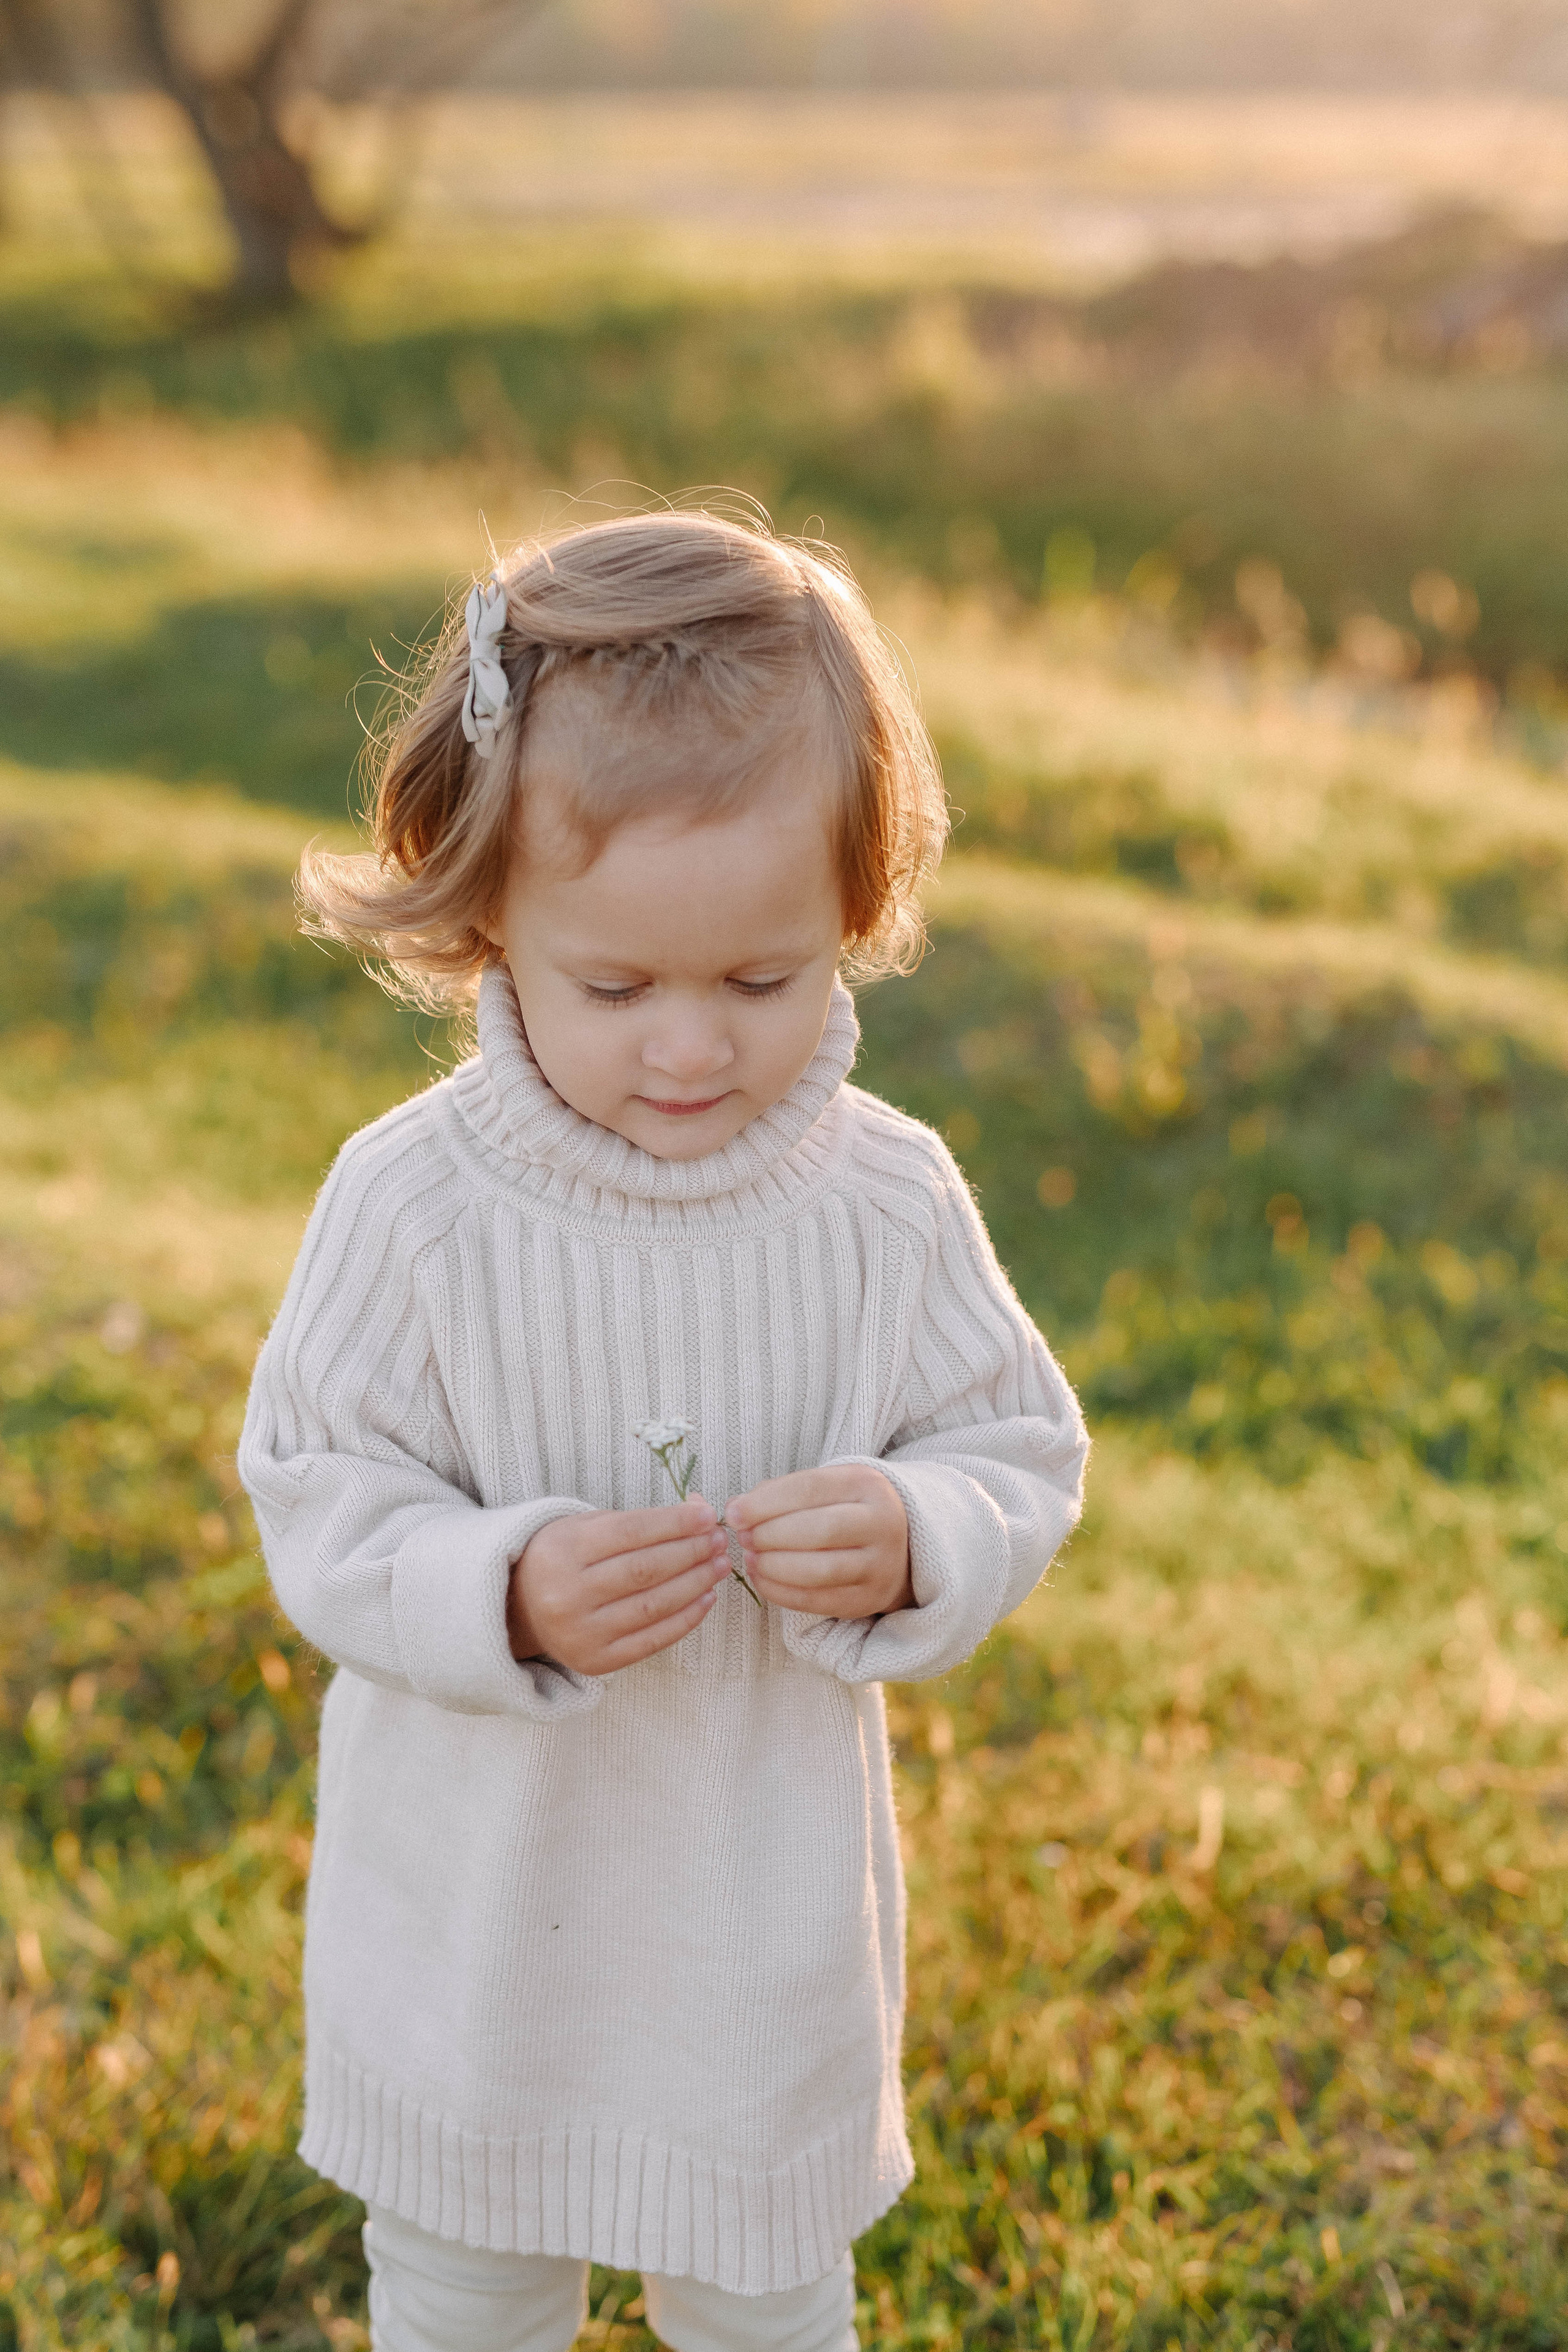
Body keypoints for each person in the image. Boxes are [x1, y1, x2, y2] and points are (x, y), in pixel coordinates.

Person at [239, 505, 1088, 2352]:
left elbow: (1015, 1440)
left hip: (753, 1946)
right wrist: (502, 1586)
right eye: (618, 987)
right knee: (467, 2304)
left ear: (854, 914)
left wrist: (919, 1526)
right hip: (483, 1947)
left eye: (766, 980)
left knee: (769, 2308)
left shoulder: (883, 1201)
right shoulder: (415, 1208)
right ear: (485, 924)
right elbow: (320, 1488)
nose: (691, 1049)